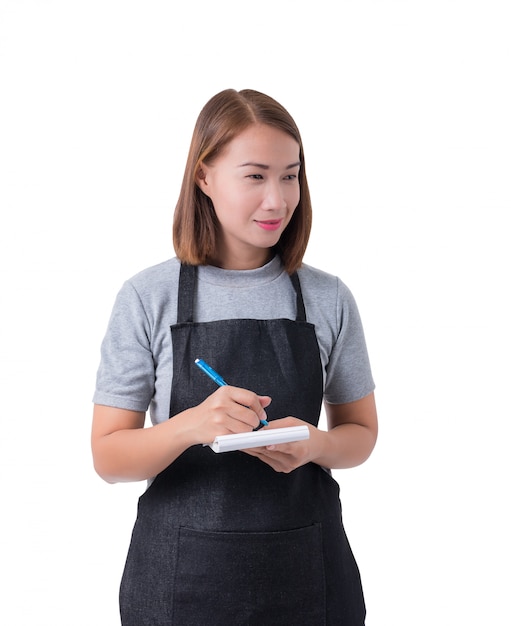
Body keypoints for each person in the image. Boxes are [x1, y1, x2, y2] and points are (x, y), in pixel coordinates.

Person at [91, 88, 378, 625]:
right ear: (204, 177)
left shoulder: (328, 298)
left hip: (306, 576)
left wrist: (313, 444)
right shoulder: (146, 296)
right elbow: (108, 457)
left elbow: (360, 435)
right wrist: (191, 426)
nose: (278, 200)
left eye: (290, 175)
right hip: (181, 581)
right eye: (255, 176)